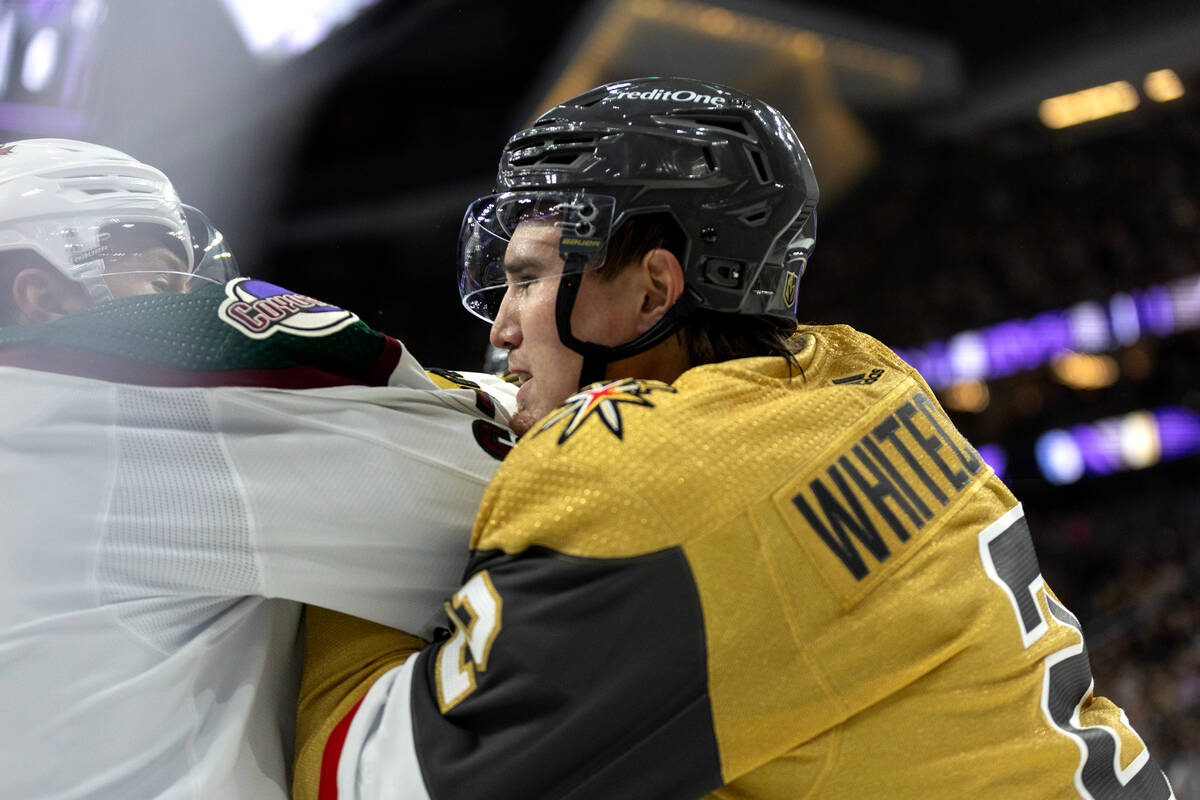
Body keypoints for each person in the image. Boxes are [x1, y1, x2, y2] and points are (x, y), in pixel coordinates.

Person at [294, 78, 1175, 799]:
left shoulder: (642, 479)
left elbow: (372, 782)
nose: (503, 328)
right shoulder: (856, 372)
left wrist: (336, 524)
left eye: (527, 279)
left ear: (653, 290)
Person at [0, 138, 517, 799]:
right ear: (40, 296)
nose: (182, 296)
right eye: (162, 279)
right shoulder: (132, 406)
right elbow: (507, 485)